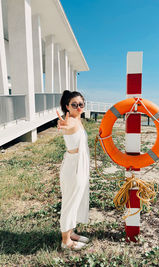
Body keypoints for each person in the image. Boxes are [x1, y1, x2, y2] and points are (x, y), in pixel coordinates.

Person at [56, 90, 90, 250]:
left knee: (76, 200)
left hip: (78, 165)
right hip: (73, 168)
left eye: (81, 105)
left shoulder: (77, 119)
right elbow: (67, 127)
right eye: (74, 105)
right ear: (67, 106)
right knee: (70, 203)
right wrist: (64, 125)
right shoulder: (70, 121)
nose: (78, 107)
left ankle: (71, 232)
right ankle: (65, 241)